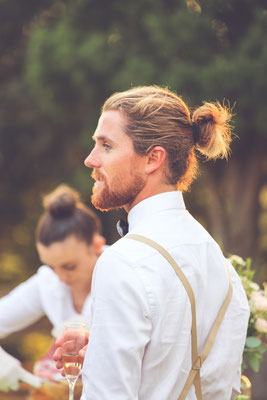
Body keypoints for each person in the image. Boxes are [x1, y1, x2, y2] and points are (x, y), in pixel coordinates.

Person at [54, 86, 250, 400]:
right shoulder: (224, 268)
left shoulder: (123, 262)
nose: (90, 160)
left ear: (153, 159)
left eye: (106, 145)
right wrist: (102, 349)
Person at [0, 184, 105, 392]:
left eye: (69, 266)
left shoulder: (125, 276)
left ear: (97, 245)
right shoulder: (48, 281)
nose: (60, 276)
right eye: (51, 266)